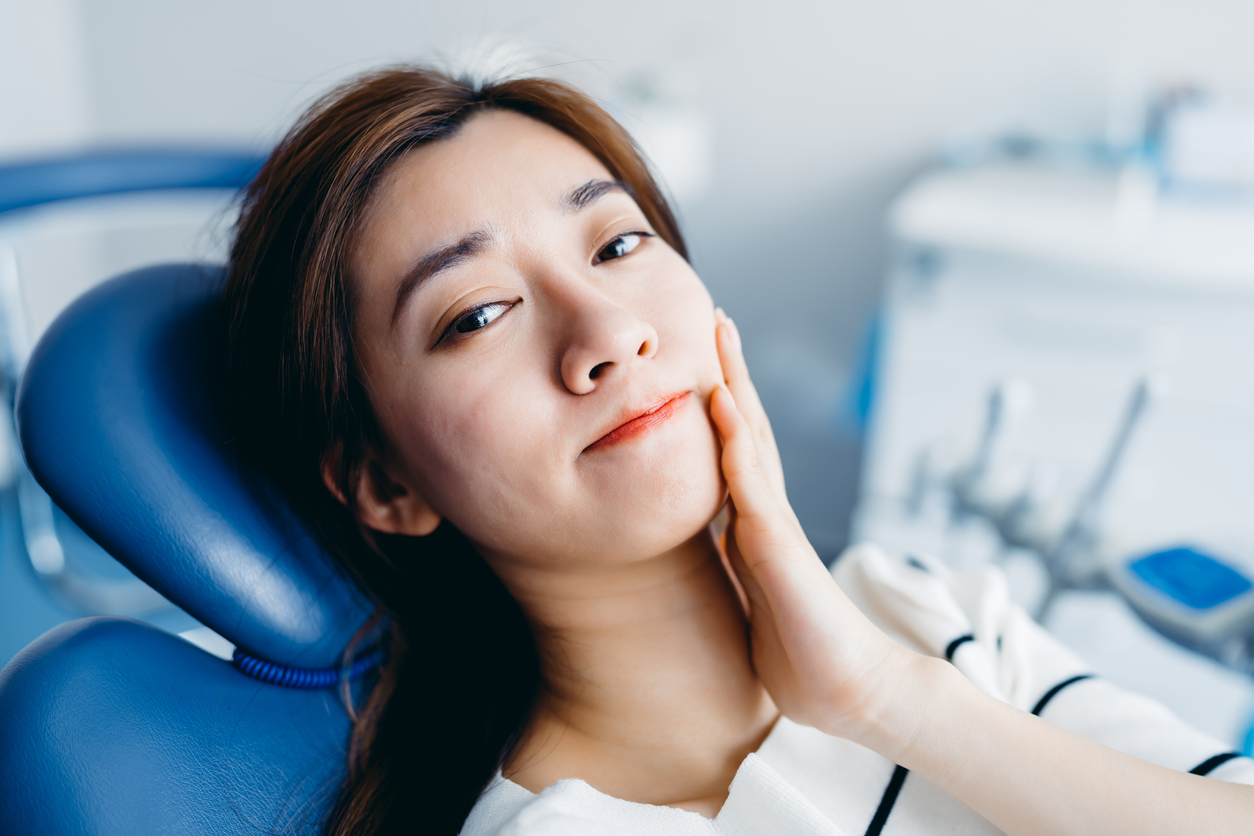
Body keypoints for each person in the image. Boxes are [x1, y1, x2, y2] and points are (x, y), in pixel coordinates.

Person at [221, 66, 1254, 836]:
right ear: (387, 482)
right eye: (480, 312)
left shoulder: (922, 614)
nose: (608, 333)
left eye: (619, 245)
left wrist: (888, 700)